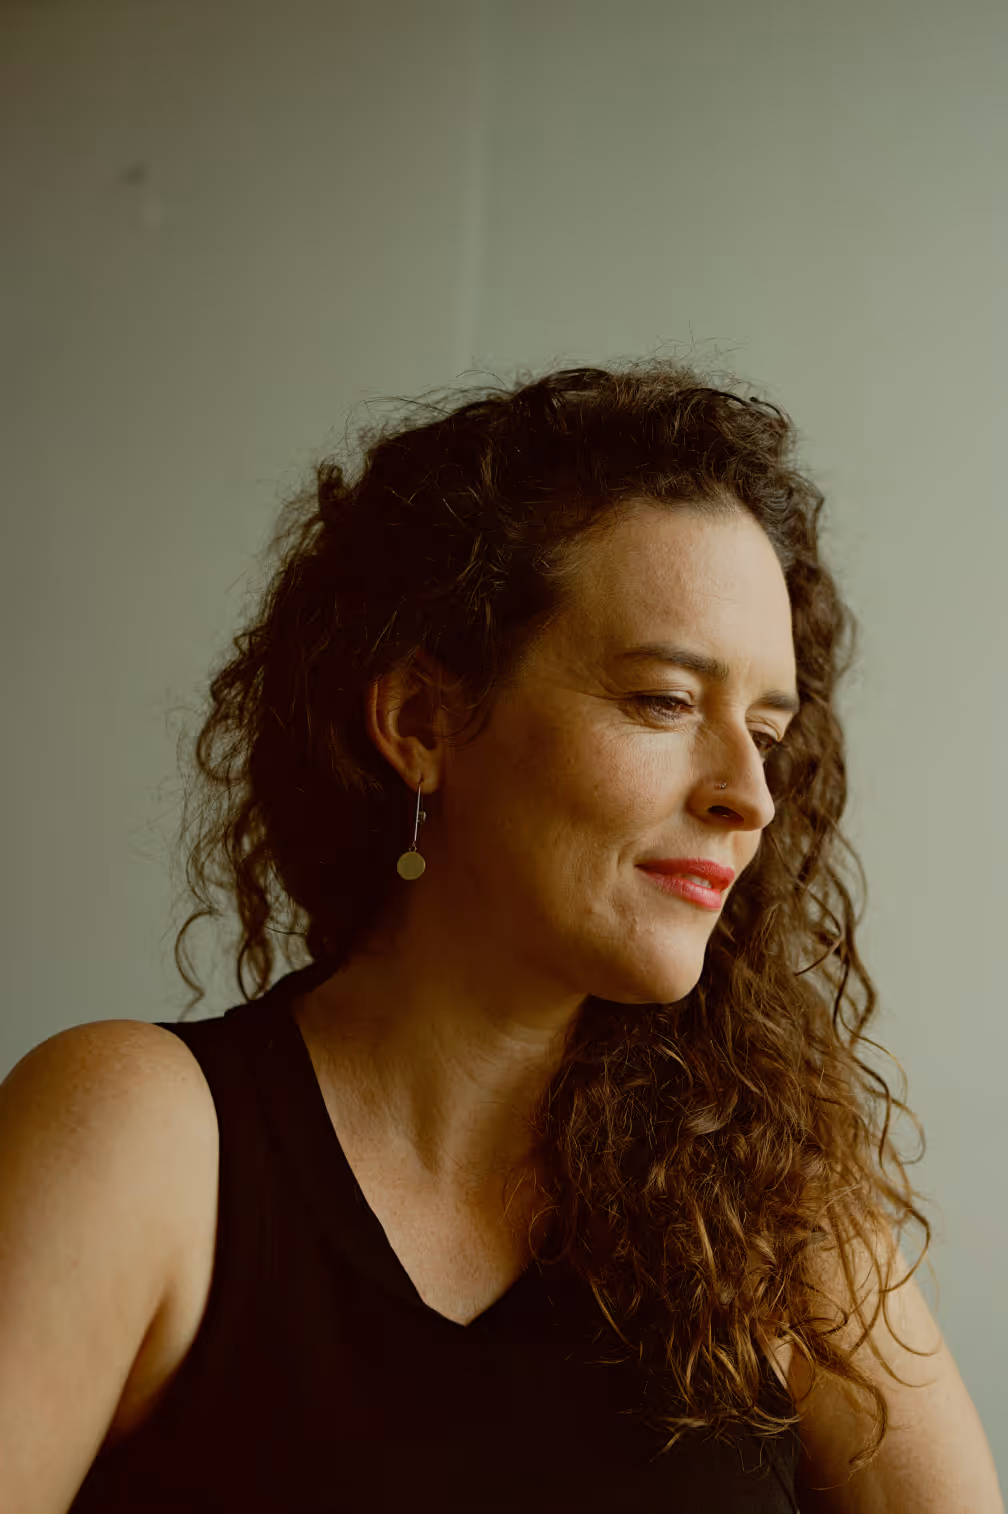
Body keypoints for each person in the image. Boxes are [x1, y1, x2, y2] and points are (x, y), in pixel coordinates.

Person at [1, 359, 1002, 1512]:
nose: (750, 795)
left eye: (766, 731)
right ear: (424, 722)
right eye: (666, 702)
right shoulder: (142, 1137)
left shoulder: (776, 1224)